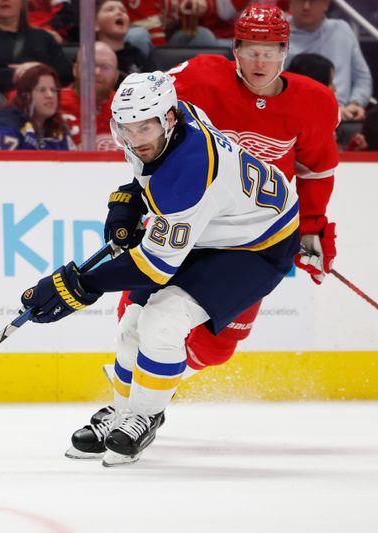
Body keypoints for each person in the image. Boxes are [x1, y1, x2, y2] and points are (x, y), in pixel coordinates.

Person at [20, 71, 299, 466]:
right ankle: (123, 412)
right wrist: (128, 202)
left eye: (144, 128)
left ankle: (144, 416)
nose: (135, 140)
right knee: (132, 323)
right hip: (216, 226)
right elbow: (148, 177)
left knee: (163, 321)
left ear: (166, 119)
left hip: (258, 244)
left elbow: (152, 268)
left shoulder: (189, 170)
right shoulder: (175, 118)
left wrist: (78, 286)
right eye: (126, 129)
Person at [115, 4, 338, 384]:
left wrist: (312, 227)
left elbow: (315, 171)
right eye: (250, 50)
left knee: (216, 348)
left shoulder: (314, 102)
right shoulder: (200, 76)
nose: (260, 62)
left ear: (286, 51)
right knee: (138, 309)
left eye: (270, 52)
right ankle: (141, 394)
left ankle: (166, 377)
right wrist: (142, 194)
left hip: (252, 237)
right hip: (191, 218)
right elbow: (140, 111)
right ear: (234, 48)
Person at [0, 0, 72, 107]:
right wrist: (19, 75)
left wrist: (38, 70)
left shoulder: (43, 38)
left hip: (41, 115)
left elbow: (65, 76)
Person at [287, 0, 372, 122]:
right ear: (290, 3)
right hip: (297, 118)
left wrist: (355, 104)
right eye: (301, 0)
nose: (306, 7)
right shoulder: (274, 35)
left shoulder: (342, 30)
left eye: (313, 1)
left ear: (326, 4)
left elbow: (363, 79)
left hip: (344, 116)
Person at [0, 63, 75, 150]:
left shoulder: (59, 128)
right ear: (26, 96)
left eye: (53, 90)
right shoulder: (6, 124)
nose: (50, 95)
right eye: (42, 90)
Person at [59, 41, 119, 150]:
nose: (96, 72)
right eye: (90, 65)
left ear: (116, 76)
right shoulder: (53, 102)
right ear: (75, 70)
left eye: (105, 67)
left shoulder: (128, 106)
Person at [95, 0, 147, 83]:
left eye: (123, 11)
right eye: (110, 10)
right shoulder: (88, 55)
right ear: (95, 24)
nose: (119, 12)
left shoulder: (137, 55)